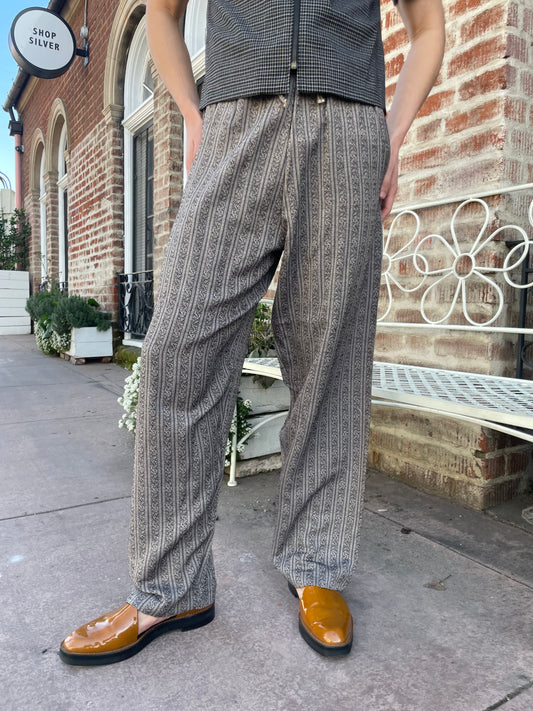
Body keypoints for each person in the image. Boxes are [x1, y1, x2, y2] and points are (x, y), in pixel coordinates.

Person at [60, 0, 445, 665]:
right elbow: (162, 13)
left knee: (331, 361)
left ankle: (316, 565)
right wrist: (190, 113)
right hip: (235, 121)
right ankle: (170, 586)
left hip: (349, 128)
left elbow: (428, 26)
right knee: (177, 350)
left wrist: (395, 133)